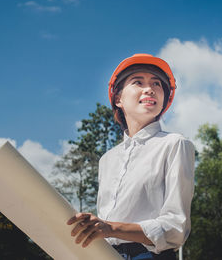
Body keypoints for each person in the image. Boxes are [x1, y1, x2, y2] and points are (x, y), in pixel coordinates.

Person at [67, 53, 195, 260]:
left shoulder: (174, 144)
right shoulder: (107, 160)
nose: (150, 88)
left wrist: (111, 228)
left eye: (157, 84)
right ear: (118, 99)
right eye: (138, 82)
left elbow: (175, 228)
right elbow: (104, 229)